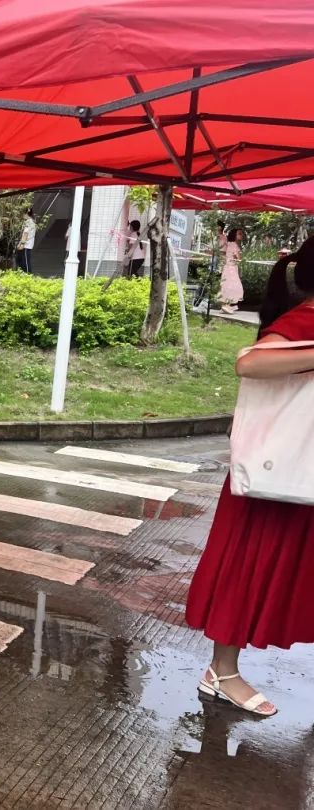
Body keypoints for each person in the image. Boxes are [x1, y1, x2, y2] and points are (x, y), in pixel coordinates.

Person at [185, 236, 314, 719]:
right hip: (281, 475)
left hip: (300, 473)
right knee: (249, 567)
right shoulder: (306, 319)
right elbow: (251, 362)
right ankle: (222, 671)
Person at [219, 227, 245, 314]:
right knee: (233, 286)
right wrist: (239, 255)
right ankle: (225, 305)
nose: (241, 235)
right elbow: (238, 258)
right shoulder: (233, 245)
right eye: (239, 234)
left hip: (228, 267)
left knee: (227, 285)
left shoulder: (229, 244)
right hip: (231, 268)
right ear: (234, 235)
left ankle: (226, 305)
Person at [15, 207, 35, 272]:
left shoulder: (29, 222)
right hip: (26, 245)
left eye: (23, 214)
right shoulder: (31, 221)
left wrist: (21, 244)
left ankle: (28, 275)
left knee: (25, 263)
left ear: (26, 214)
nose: (22, 216)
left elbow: (25, 234)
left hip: (26, 245)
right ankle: (25, 275)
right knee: (23, 262)